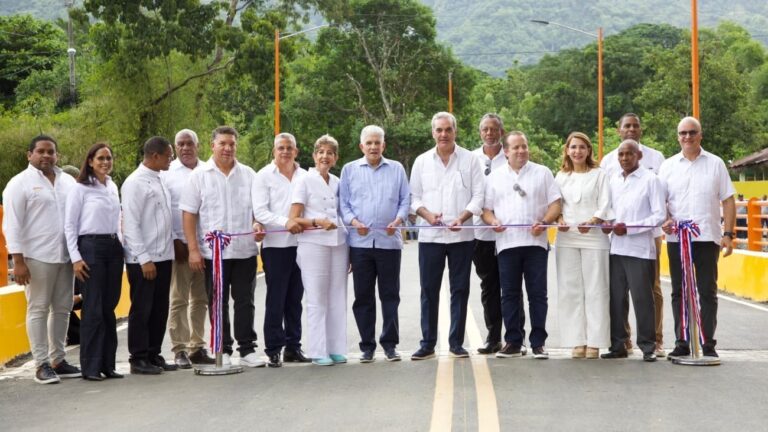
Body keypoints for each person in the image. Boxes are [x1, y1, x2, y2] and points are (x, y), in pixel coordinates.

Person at [180, 126, 264, 368]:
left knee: (245, 301)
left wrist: (257, 224)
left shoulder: (249, 175)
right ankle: (223, 349)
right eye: (223, 144)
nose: (227, 148)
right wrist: (193, 250)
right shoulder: (199, 176)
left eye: (232, 144)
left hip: (244, 251)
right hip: (213, 255)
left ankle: (247, 349)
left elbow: (257, 211)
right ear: (212, 145)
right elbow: (189, 214)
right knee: (218, 303)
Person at [3, 135, 81, 384]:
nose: (46, 155)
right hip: (36, 257)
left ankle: (58, 360)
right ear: (30, 155)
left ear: (57, 155)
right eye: (41, 151)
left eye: (51, 152)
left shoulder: (67, 182)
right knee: (38, 308)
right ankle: (41, 364)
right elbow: (11, 225)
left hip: (65, 256)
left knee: (63, 308)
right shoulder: (19, 184)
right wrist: (18, 261)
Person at [409, 112, 484, 360]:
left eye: (448, 129)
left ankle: (456, 343)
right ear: (433, 132)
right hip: (430, 237)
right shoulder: (421, 161)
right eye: (439, 130)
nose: (443, 134)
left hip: (462, 237)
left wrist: (462, 217)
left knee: (459, 290)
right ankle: (428, 343)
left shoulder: (471, 160)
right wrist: (427, 215)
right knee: (428, 290)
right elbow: (414, 198)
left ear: (455, 131)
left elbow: (478, 196)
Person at [660, 116, 736, 359]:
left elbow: (728, 200)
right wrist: (665, 219)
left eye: (692, 132)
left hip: (706, 237)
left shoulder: (715, 164)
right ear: (678, 137)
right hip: (677, 239)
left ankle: (708, 343)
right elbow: (660, 202)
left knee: (707, 291)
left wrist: (728, 234)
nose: (688, 137)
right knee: (679, 292)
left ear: (700, 135)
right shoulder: (668, 166)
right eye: (683, 133)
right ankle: (682, 342)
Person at [482, 132, 561, 359]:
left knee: (538, 295)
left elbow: (555, 204)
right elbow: (486, 210)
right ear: (506, 151)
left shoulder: (542, 172)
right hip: (507, 244)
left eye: (524, 146)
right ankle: (513, 342)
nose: (521, 151)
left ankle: (538, 343)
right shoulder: (494, 177)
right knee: (509, 295)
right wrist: (493, 221)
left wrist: (544, 222)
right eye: (516, 147)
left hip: (536, 244)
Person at [339, 125, 410, 363]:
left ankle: (390, 345)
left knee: (390, 295)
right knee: (363, 297)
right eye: (369, 143)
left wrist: (398, 220)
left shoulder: (397, 169)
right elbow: (343, 204)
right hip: (360, 244)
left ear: (383, 145)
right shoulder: (349, 170)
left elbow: (405, 200)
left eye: (377, 143)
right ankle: (367, 346)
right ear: (362, 146)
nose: (373, 147)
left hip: (389, 243)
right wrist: (353, 221)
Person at [601, 113, 666, 356]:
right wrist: (607, 223)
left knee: (642, 298)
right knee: (617, 298)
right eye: (621, 154)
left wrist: (630, 228)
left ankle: (648, 346)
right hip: (615, 247)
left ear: (639, 155)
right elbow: (608, 209)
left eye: (629, 154)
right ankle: (618, 344)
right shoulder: (613, 180)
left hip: (640, 249)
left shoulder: (651, 180)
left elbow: (659, 215)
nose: (624, 158)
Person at [64, 142, 124, 381]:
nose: (105, 162)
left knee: (109, 307)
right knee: (93, 308)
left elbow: (117, 220)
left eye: (109, 158)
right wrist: (76, 258)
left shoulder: (112, 186)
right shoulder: (80, 189)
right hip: (91, 247)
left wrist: (121, 246)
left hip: (113, 248)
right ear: (90, 161)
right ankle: (91, 367)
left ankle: (108, 365)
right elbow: (70, 225)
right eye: (100, 158)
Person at [288, 135, 349, 366]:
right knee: (316, 298)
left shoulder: (337, 181)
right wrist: (317, 222)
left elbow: (344, 213)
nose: (325, 156)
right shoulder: (303, 180)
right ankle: (318, 350)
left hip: (339, 243)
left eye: (330, 153)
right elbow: (293, 218)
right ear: (314, 156)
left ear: (336, 158)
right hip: (313, 244)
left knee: (337, 297)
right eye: (321, 152)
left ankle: (335, 348)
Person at [252, 132, 310, 367]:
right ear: (274, 151)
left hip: (303, 245)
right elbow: (260, 211)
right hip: (276, 247)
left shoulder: (306, 176)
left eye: (289, 148)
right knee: (276, 299)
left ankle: (293, 347)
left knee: (295, 299)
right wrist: (286, 222)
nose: (285, 152)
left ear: (296, 151)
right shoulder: (263, 176)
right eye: (281, 148)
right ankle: (274, 349)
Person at [555, 132, 613, 359]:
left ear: (589, 150)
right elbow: (556, 206)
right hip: (567, 238)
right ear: (567, 150)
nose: (577, 151)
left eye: (582, 147)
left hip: (594, 237)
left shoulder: (599, 174)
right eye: (573, 147)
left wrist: (593, 221)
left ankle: (595, 342)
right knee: (570, 290)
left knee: (596, 290)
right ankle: (576, 341)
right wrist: (559, 220)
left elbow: (605, 204)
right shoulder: (561, 176)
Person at [122, 136, 177, 374]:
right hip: (143, 259)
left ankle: (154, 353)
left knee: (159, 309)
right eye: (169, 156)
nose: (171, 160)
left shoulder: (160, 178)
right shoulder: (134, 183)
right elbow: (130, 224)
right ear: (155, 156)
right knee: (142, 309)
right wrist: (144, 258)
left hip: (163, 256)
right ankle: (139, 357)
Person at [471, 114, 525, 355]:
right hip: (482, 234)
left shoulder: (512, 156)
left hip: (510, 236)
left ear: (501, 132)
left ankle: (517, 338)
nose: (489, 133)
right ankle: (493, 337)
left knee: (512, 287)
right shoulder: (471, 158)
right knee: (489, 287)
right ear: (480, 132)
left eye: (494, 129)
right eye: (485, 129)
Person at [161, 129, 215, 368]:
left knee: (201, 299)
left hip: (206, 246)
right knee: (179, 298)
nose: (185, 148)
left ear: (198, 145)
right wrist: (175, 240)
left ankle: (197, 346)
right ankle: (179, 348)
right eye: (180, 144)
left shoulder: (208, 171)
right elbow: (165, 212)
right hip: (181, 247)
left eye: (189, 143)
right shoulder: (167, 174)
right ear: (175, 148)